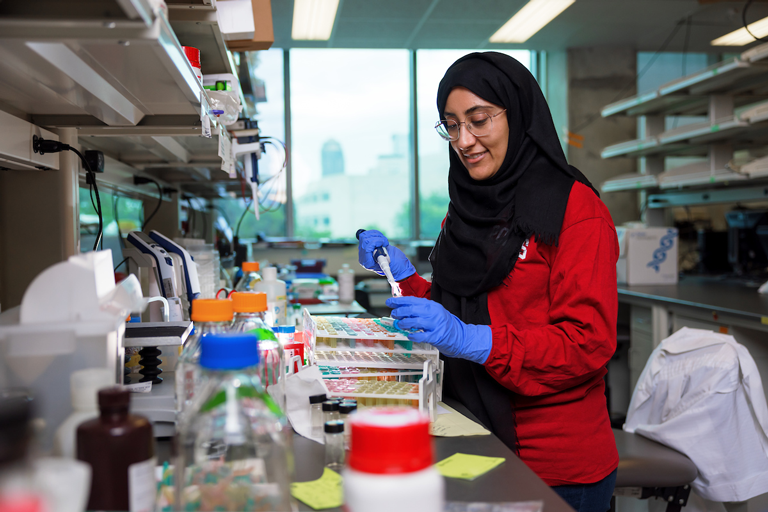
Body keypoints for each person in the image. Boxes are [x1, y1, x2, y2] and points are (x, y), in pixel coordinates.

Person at [357, 52, 619, 511]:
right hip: (470, 434)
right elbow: (456, 314)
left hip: (553, 466)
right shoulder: (466, 208)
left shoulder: (575, 211)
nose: (465, 140)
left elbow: (587, 345)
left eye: (478, 120)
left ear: (516, 115)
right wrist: (405, 279)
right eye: (451, 125)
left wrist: (476, 341)